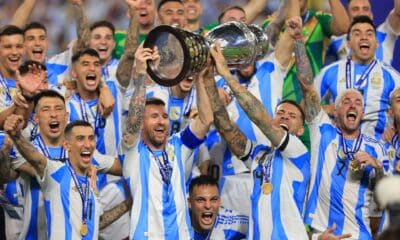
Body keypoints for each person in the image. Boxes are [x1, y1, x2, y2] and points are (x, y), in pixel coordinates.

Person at [293, 14, 391, 239]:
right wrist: (299, 40)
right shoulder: (322, 132)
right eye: (345, 101)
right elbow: (307, 87)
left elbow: (386, 196)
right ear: (334, 111)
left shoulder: (376, 147)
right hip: (321, 234)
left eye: (358, 102)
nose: (352, 104)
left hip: (360, 234)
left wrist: (376, 167)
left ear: (363, 113)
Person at [204, 37, 310, 239]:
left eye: (292, 116)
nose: (285, 116)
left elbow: (261, 118)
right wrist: (209, 79)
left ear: (300, 130)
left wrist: (226, 74)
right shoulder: (259, 156)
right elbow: (227, 129)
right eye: (280, 113)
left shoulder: (298, 151)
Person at [121, 43, 212, 239]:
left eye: (164, 116)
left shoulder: (178, 146)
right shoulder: (134, 152)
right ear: (142, 124)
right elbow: (134, 119)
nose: (161, 121)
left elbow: (205, 120)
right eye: (153, 116)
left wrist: (199, 79)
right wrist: (140, 74)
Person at [315, 16, 400, 139]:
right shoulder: (329, 72)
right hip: (336, 151)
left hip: (377, 153)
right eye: (357, 33)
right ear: (348, 43)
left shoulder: (392, 77)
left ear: (377, 43)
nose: (364, 37)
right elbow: (305, 108)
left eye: (369, 33)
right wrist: (325, 109)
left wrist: (396, 131)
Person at [261, 0, 350, 103]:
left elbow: (343, 28)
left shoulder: (319, 20)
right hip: (276, 103)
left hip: (308, 104)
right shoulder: (271, 24)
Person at [326, 0, 400, 66]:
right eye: (355, 9)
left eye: (365, 9)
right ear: (347, 15)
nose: (361, 13)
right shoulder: (336, 40)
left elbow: (398, 12)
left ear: (371, 15)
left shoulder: (385, 34)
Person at [188, 175, 248, 240]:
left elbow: (258, 226)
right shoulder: (179, 224)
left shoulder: (232, 223)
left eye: (213, 200)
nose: (208, 206)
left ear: (219, 202)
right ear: (189, 203)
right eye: (200, 200)